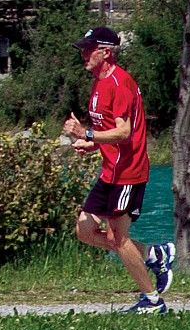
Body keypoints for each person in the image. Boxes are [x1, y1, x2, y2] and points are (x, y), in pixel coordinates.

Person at [64, 25, 172, 313]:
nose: (83, 54)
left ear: (106, 52)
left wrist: (86, 134)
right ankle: (154, 254)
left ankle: (151, 300)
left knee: (118, 237)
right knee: (85, 230)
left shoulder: (119, 83)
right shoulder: (99, 81)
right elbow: (110, 132)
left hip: (129, 172)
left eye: (88, 49)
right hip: (111, 169)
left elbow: (123, 132)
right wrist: (93, 145)